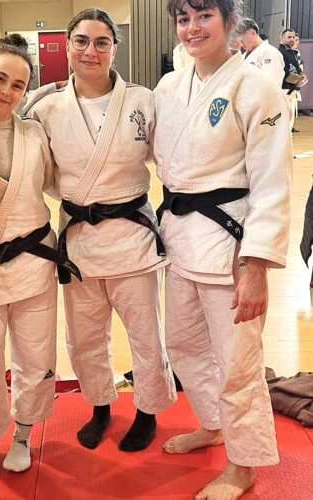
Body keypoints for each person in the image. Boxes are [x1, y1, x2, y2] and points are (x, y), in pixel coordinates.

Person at [154, 1, 293, 499]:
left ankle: (242, 464)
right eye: (183, 19)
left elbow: (273, 181)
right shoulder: (169, 87)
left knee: (238, 362)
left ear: (230, 22)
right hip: (180, 239)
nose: (192, 28)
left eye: (204, 16)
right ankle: (215, 424)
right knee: (184, 346)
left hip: (230, 245)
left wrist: (256, 266)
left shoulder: (257, 88)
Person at [31, 8, 176, 452]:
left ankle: (148, 411)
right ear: (67, 46)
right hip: (80, 239)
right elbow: (40, 174)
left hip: (132, 235)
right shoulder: (46, 108)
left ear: (115, 47)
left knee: (145, 333)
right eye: (81, 41)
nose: (90, 51)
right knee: (85, 336)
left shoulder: (142, 101)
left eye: (101, 42)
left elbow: (169, 159)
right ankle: (99, 406)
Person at [0, 34, 77, 480]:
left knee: (36, 355)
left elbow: (58, 183)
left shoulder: (34, 134)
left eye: (19, 85)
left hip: (32, 260)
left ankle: (24, 433)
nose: (7, 91)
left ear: (27, 91)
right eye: (0, 79)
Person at [237, 17, 284, 87]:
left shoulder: (270, 52)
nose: (241, 44)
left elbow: (271, 84)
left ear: (252, 33)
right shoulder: (243, 55)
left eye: (242, 40)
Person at [279, 28, 307, 131]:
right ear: (282, 38)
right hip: (285, 90)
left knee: (290, 121)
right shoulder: (280, 52)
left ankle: (288, 138)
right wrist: (298, 79)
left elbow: (298, 69)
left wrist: (303, 77)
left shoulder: (293, 52)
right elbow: (284, 72)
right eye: (289, 37)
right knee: (285, 121)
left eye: (293, 37)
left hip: (292, 89)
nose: (292, 39)